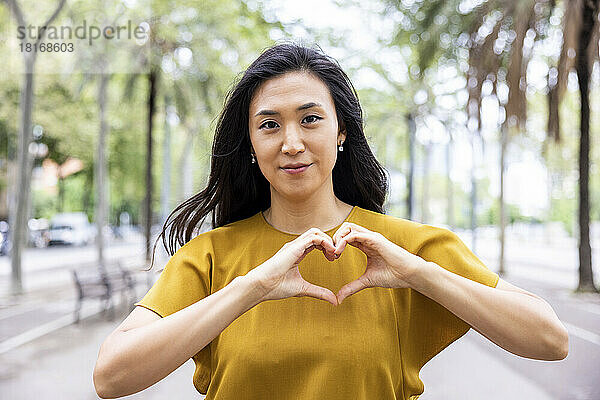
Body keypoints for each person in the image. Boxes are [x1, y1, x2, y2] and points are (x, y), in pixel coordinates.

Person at [93, 43, 568, 399]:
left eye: (311, 119)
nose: (292, 143)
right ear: (253, 146)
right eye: (269, 124)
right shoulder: (212, 258)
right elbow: (111, 376)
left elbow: (549, 339)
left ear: (342, 132)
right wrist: (252, 287)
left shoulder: (407, 248)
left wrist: (416, 274)